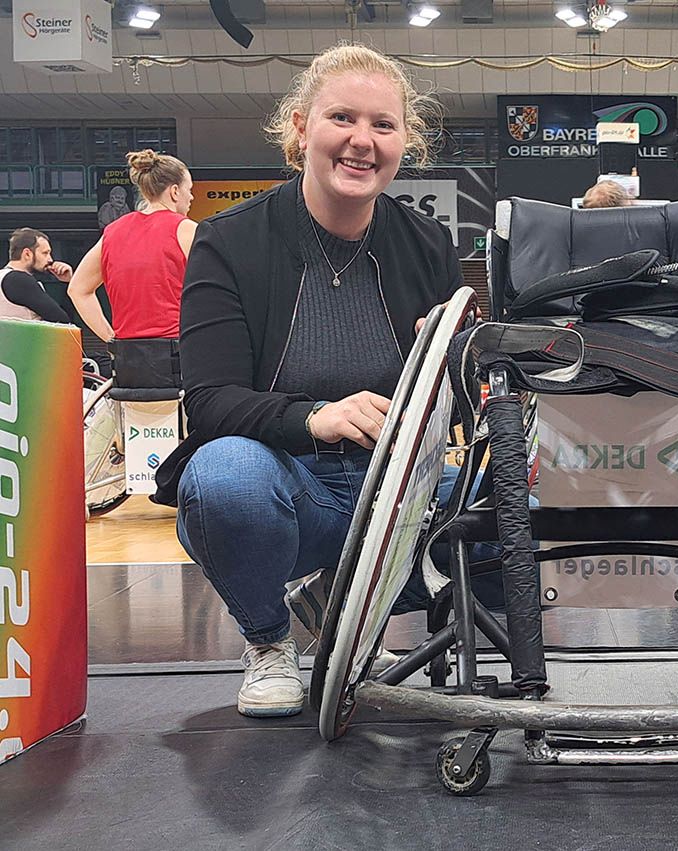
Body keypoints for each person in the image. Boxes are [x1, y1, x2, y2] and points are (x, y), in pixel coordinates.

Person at [150, 43, 461, 718]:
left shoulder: (428, 243)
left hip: (396, 489)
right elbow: (208, 404)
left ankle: (338, 599)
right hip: (291, 487)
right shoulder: (229, 240)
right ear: (300, 127)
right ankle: (268, 641)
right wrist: (313, 415)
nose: (362, 141)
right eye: (342, 118)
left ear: (406, 140)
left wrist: (462, 381)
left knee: (513, 501)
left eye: (383, 125)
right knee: (225, 477)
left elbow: (453, 389)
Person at [68, 150, 197, 344]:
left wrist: (111, 338)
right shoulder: (187, 229)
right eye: (189, 190)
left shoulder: (112, 232)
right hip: (182, 350)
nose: (191, 197)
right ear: (175, 191)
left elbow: (78, 289)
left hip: (128, 355)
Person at [0, 228, 73, 323]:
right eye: (45, 253)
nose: (50, 259)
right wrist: (70, 283)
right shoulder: (19, 280)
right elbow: (62, 320)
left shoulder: (4, 276)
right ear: (27, 254)